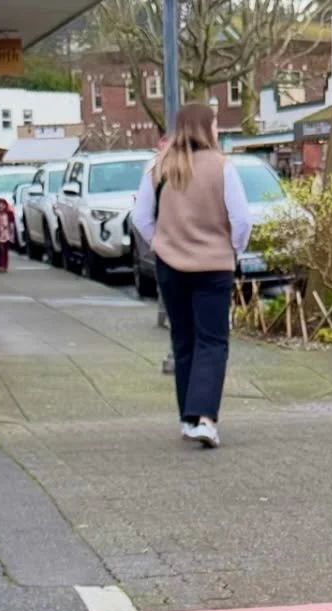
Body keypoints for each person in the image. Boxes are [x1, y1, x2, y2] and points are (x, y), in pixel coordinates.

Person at [131, 103, 252, 449]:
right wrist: (233, 249)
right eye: (214, 125)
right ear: (206, 128)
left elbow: (140, 217)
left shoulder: (158, 167)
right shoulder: (222, 167)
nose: (216, 131)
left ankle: (187, 417)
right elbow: (241, 219)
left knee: (183, 341)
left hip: (171, 265)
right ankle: (205, 418)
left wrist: (160, 242)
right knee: (212, 342)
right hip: (214, 265)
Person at [0, 197, 17, 273]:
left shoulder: (9, 214)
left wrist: (12, 233)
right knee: (1, 250)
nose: (1, 207)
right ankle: (0, 266)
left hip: (7, 235)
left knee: (6, 251)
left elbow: (12, 223)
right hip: (0, 235)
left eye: (3, 205)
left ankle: (5, 266)